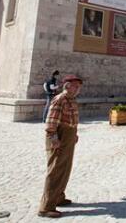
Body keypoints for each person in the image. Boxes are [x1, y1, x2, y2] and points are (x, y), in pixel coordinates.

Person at [38, 75, 82, 218]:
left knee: (65, 168)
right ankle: (46, 207)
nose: (78, 89)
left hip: (68, 136)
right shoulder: (59, 100)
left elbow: (71, 119)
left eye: (79, 87)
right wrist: (53, 137)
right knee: (56, 170)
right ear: (67, 86)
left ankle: (59, 196)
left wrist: (74, 133)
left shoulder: (71, 100)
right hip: (59, 137)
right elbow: (51, 121)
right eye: (75, 86)